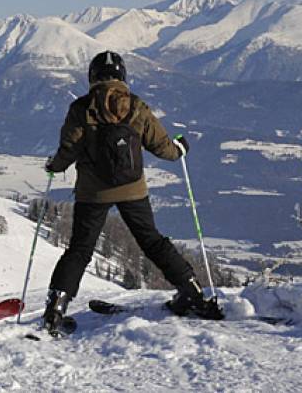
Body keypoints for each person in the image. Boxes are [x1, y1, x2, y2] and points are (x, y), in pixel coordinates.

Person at [42, 51, 222, 334]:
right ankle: (193, 293)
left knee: (79, 249)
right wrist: (181, 149)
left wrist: (54, 166)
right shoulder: (136, 106)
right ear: (123, 75)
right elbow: (163, 147)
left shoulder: (81, 108)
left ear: (92, 77)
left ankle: (55, 309)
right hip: (132, 189)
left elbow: (68, 149)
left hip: (93, 193)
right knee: (152, 241)